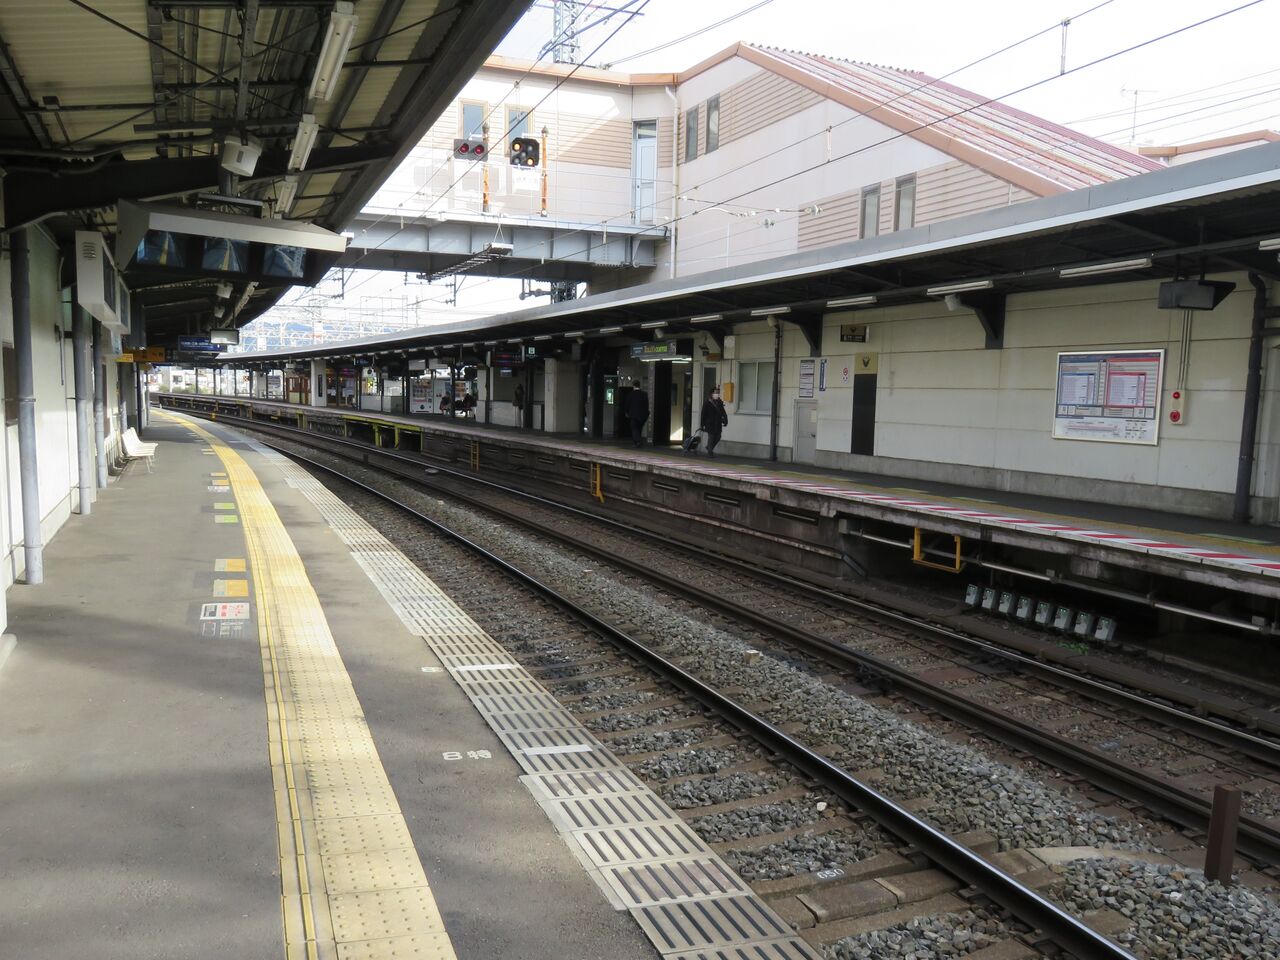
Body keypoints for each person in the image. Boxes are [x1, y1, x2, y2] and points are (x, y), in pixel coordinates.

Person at [700, 385, 729, 458]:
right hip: (710, 423)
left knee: (718, 437)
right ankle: (710, 452)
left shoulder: (719, 402)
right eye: (716, 393)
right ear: (712, 393)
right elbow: (703, 413)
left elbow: (723, 412)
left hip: (718, 422)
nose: (717, 394)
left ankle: (709, 447)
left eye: (718, 393)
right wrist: (702, 424)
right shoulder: (707, 402)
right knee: (711, 437)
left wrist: (725, 420)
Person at [625, 378, 649, 448]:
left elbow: (627, 404)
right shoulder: (644, 394)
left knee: (634, 428)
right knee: (639, 429)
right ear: (639, 385)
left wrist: (626, 412)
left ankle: (638, 441)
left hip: (633, 415)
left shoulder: (630, 394)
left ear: (633, 385)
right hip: (642, 415)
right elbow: (646, 404)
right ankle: (636, 442)